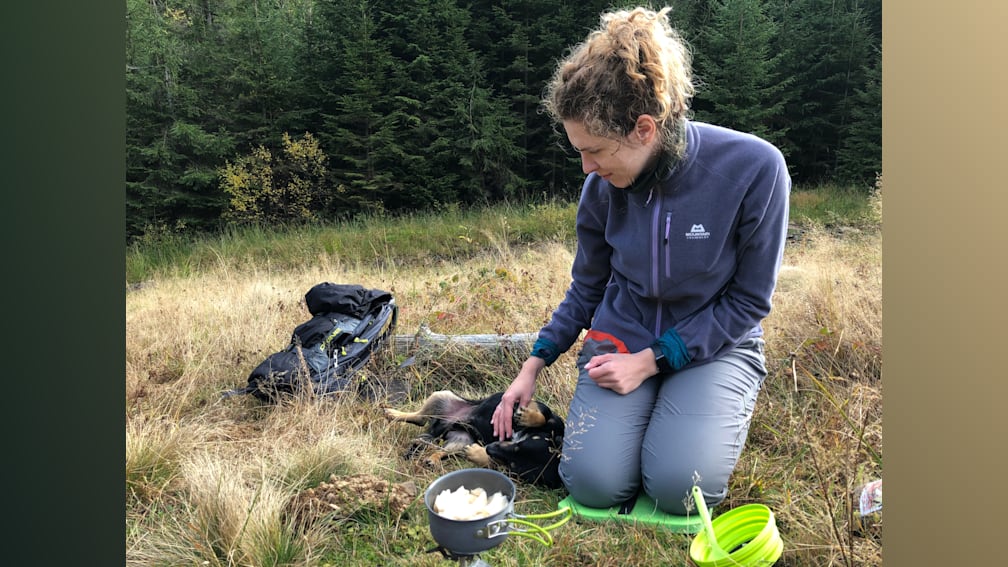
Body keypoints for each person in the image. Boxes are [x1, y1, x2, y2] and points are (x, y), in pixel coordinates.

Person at [490, 6, 790, 515]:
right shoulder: (601, 189)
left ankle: (685, 411)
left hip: (715, 346)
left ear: (645, 129)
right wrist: (533, 363)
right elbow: (587, 288)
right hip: (620, 340)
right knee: (593, 484)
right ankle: (645, 421)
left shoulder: (754, 169)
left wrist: (649, 362)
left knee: (680, 488)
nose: (586, 167)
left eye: (596, 151)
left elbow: (748, 301)